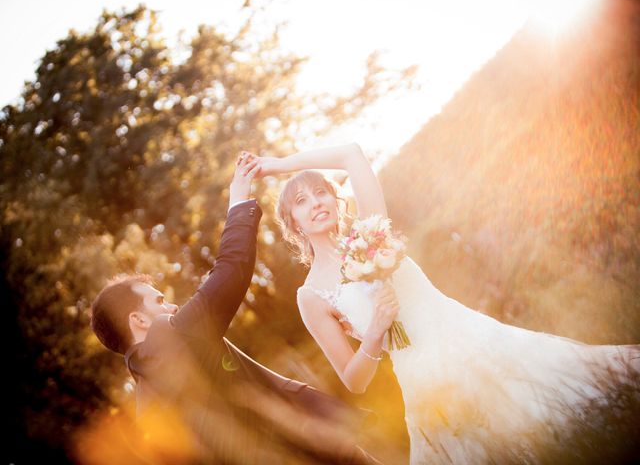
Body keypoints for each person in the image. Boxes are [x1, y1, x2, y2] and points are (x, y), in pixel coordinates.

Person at [248, 143, 640, 464]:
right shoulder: (311, 295)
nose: (316, 202)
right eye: (301, 200)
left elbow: (351, 153)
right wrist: (374, 334)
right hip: (429, 386)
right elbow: (354, 380)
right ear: (293, 222)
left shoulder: (371, 231)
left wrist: (277, 165)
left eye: (321, 192)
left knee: (568, 417)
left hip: (479, 343)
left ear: (335, 200)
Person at [90, 153, 383, 464]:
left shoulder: (147, 407)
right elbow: (230, 270)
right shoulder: (168, 339)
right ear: (138, 320)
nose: (172, 306)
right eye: (158, 301)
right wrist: (238, 201)